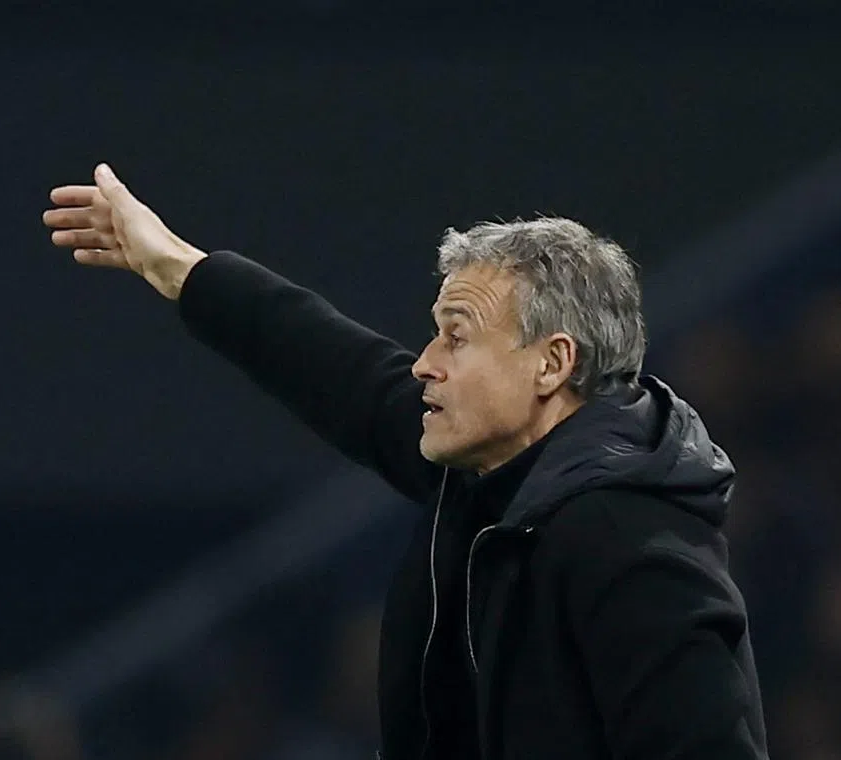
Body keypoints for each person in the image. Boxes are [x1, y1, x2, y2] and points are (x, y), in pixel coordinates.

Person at [42, 163, 770, 760]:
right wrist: (174, 265)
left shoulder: (629, 537)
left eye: (456, 336)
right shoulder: (488, 475)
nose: (423, 364)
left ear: (551, 364)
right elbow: (334, 366)